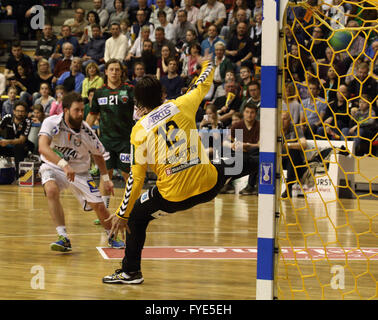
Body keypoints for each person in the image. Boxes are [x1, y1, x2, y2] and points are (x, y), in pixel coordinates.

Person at [102, 56, 229, 284]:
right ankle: (267, 165)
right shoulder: (182, 103)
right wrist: (206, 63)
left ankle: (131, 272)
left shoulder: (139, 130)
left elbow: (136, 179)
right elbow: (204, 82)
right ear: (163, 95)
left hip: (173, 196)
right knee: (234, 163)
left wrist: (122, 213)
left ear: (138, 104)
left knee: (136, 218)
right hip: (209, 185)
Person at [38, 91, 125, 252]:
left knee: (98, 207)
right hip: (54, 166)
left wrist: (106, 179)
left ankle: (112, 236)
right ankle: (63, 237)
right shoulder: (51, 123)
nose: (80, 114)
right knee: (51, 190)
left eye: (81, 110)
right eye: (76, 110)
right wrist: (63, 164)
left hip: (80, 172)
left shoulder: (87, 132)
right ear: (65, 110)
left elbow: (98, 154)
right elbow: (42, 147)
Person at [86, 59, 135, 210]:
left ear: (121, 72)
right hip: (105, 141)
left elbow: (141, 110)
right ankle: (105, 211)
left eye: (117, 70)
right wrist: (83, 135)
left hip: (125, 140)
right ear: (106, 72)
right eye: (111, 69)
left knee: (128, 175)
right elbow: (92, 116)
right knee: (105, 175)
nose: (114, 72)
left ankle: (131, 208)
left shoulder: (130, 90)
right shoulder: (99, 92)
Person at [220, 103, 260, 195]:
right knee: (224, 150)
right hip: (239, 152)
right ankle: (226, 184)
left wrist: (247, 145)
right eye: (247, 112)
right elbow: (224, 141)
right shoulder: (237, 125)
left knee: (256, 154)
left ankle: (251, 186)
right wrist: (232, 145)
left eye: (252, 112)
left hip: (253, 152)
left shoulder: (260, 126)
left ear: (256, 114)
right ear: (243, 113)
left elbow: (261, 145)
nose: (249, 115)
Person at [0, 101, 33, 174]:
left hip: (21, 147)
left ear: (25, 112)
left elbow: (21, 140)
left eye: (22, 111)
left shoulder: (27, 122)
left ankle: (19, 175)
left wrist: (7, 142)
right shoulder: (7, 117)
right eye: (18, 111)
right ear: (14, 111)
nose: (20, 113)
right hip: (6, 145)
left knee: (19, 146)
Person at [281, 111, 308, 198]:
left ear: (290, 120)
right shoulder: (274, 128)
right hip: (279, 159)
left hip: (294, 161)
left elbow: (304, 144)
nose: (282, 121)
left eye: (285, 119)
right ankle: (253, 186)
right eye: (280, 119)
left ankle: (288, 188)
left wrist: (288, 145)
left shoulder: (295, 128)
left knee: (293, 152)